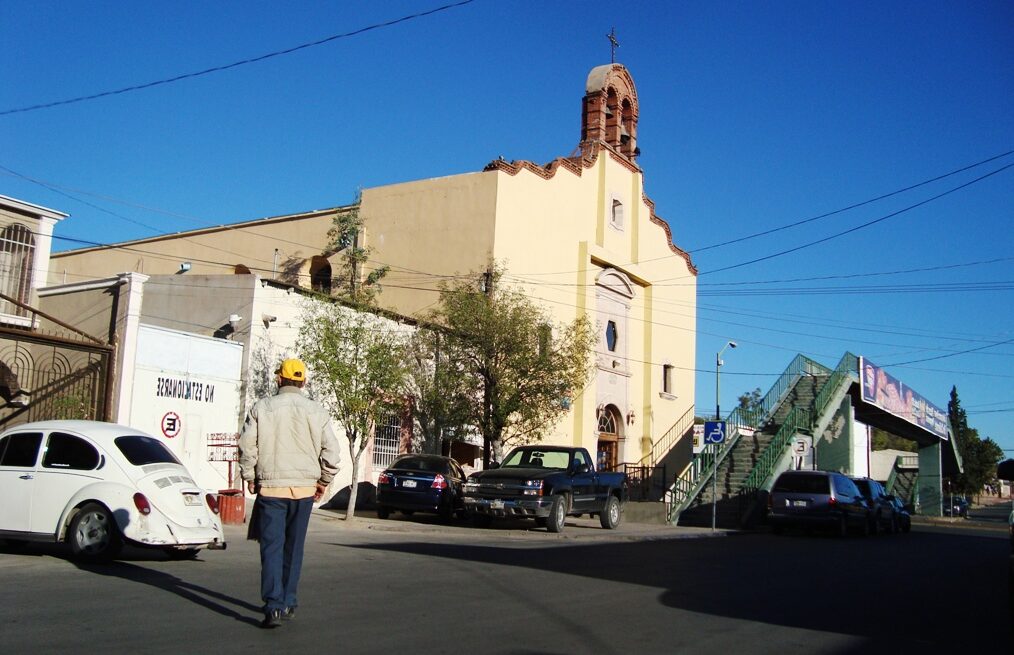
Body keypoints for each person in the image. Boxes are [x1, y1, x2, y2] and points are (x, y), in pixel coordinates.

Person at [239, 358, 340, 629]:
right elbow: (332, 451)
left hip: (272, 489)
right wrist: (324, 480)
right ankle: (289, 600)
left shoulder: (262, 407)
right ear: (303, 382)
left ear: (279, 379)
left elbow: (247, 445)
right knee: (294, 548)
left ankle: (272, 605)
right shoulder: (317, 411)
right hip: (305, 489)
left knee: (271, 547)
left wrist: (249, 476)